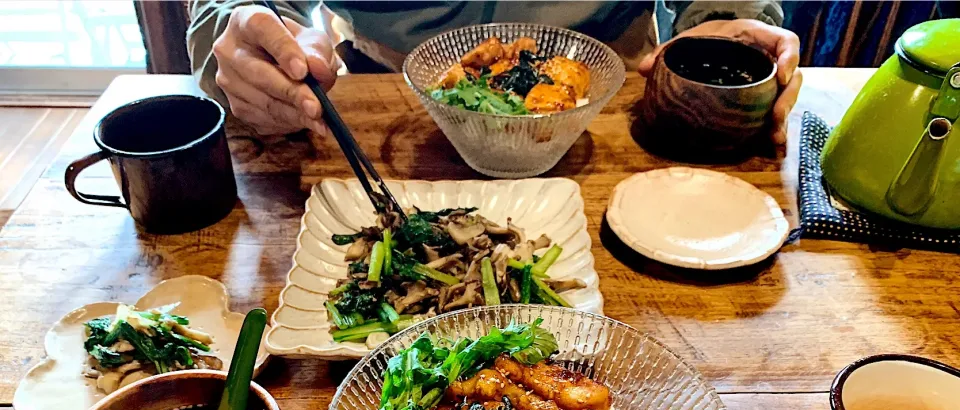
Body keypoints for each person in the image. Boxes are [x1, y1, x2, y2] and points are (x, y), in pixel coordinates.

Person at [187, 1, 801, 145]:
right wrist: (243, 35)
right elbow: (233, 8)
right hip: (373, 97)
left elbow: (729, 6)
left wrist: (729, 20)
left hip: (617, 103)